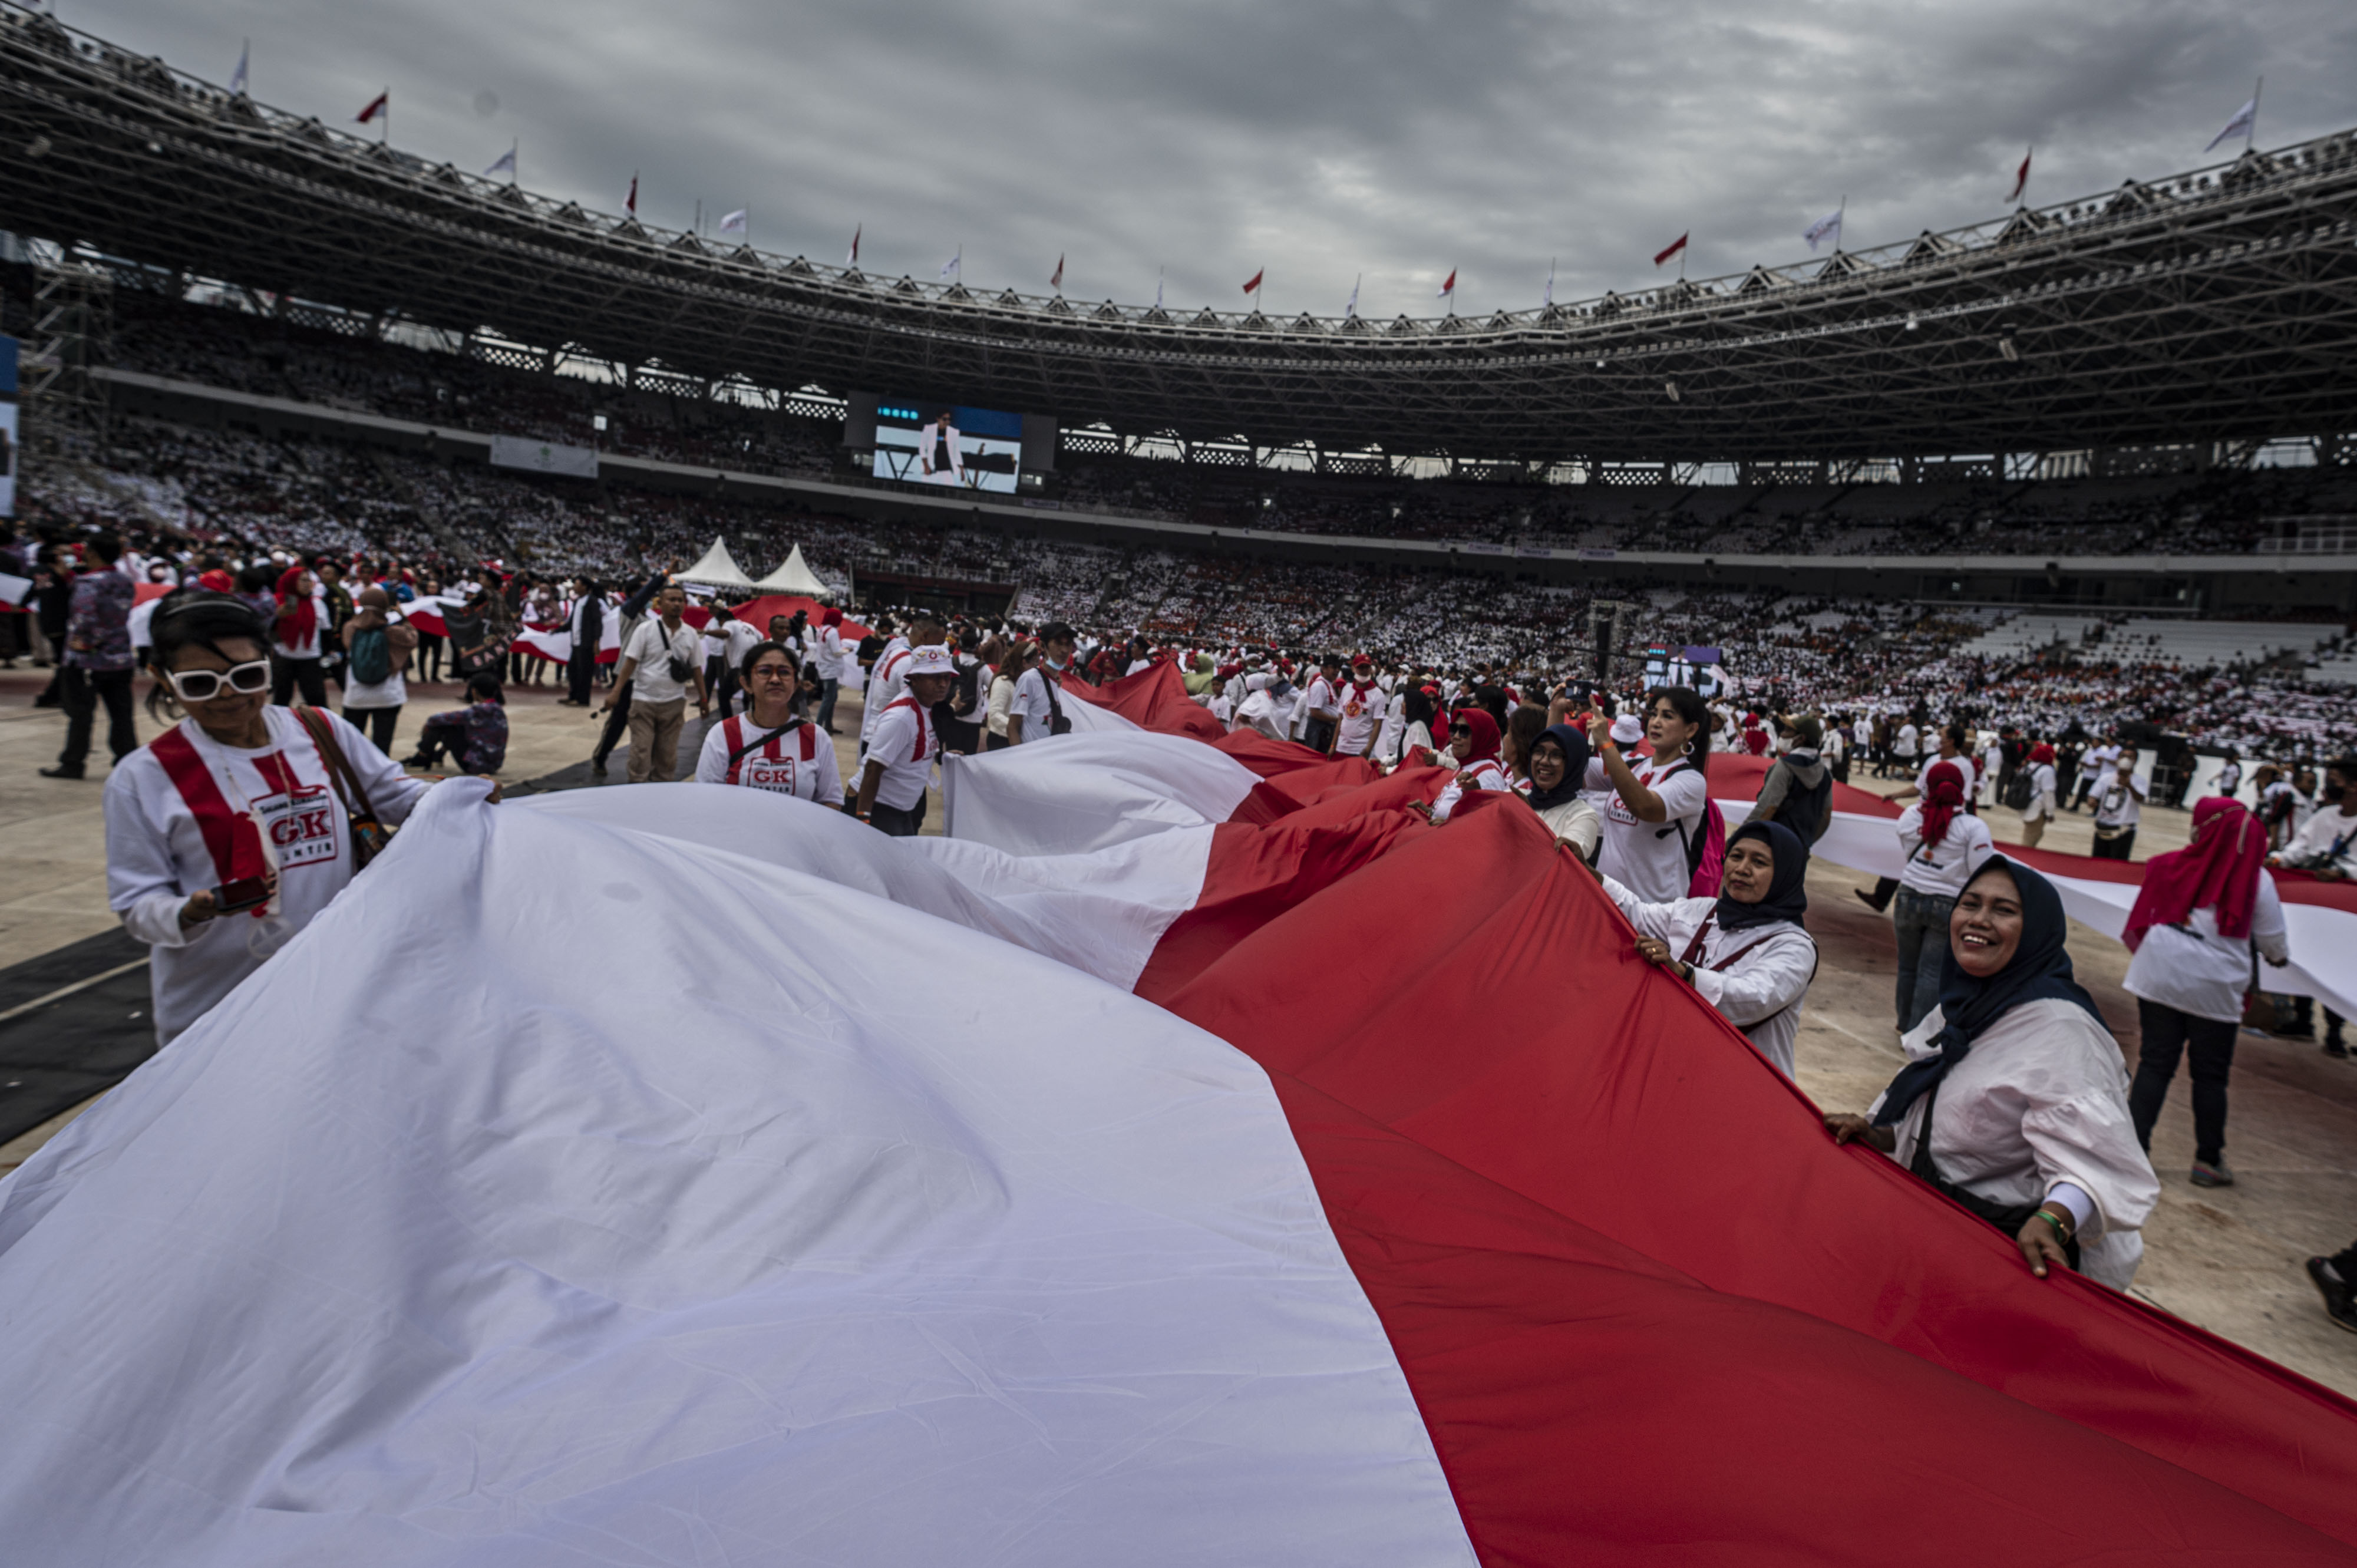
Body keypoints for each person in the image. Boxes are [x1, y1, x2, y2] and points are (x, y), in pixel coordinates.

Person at [103, 591, 443, 1045]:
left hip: (337, 988)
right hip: (217, 1008)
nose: (229, 695)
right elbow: (136, 902)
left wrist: (461, 795)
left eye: (247, 676)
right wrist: (189, 911)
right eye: (201, 684)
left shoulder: (318, 729)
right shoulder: (142, 778)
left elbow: (395, 795)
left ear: (270, 663)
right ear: (162, 680)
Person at [1826, 857, 2158, 1289]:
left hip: (1999, 1253)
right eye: (1970, 903)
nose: (1979, 920)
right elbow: (1943, 1104)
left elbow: (2096, 1159)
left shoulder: (2063, 1033)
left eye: (2004, 909)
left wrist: (2050, 1223)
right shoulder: (1965, 1004)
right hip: (1936, 1225)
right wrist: (1881, 1133)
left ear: (2038, 929)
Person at [2123, 798, 2289, 1188]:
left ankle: (2134, 1150)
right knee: (2210, 1076)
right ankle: (2207, 1161)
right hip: (2215, 987)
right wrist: (2279, 959)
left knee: (2155, 1062)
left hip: (2159, 974)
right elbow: (2273, 942)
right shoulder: (2256, 878)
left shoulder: (2170, 863)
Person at [1612, 820, 1818, 1078]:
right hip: (1679, 1070)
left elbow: (1756, 997)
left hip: (1746, 1082)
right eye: (1736, 856)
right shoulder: (1702, 911)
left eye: (1759, 862)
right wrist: (1587, 875)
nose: (1742, 869)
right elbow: (1634, 913)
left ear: (1786, 874)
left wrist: (1685, 973)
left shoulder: (1794, 946)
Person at [1891, 760, 1995, 1033]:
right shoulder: (1974, 827)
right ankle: (1918, 1032)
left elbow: (1907, 848)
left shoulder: (1911, 816)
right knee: (1932, 972)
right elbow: (1980, 869)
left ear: (1928, 786)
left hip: (1908, 895)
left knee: (1907, 966)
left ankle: (1904, 1022)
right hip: (1947, 902)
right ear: (1961, 788)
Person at [1585, 685, 1712, 903]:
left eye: (1667, 716)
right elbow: (1566, 771)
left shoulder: (1692, 781)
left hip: (1654, 913)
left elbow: (1644, 807)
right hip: (1607, 903)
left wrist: (1606, 743)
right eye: (1654, 714)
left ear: (1690, 730)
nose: (1656, 722)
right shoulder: (1632, 767)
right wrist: (1556, 712)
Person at [696, 639, 841, 801]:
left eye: (784, 672)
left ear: (795, 685)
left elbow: (831, 800)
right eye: (765, 671)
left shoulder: (816, 737)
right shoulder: (723, 734)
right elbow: (706, 797)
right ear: (746, 683)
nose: (775, 679)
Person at [44, 533, 138, 780]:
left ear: (93, 554)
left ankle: (73, 763)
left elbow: (85, 619)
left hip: (88, 660)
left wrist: (86, 645)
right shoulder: (124, 580)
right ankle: (128, 762)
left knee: (81, 714)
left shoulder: (89, 583)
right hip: (120, 656)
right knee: (121, 714)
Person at [607, 583, 708, 784]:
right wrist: (616, 692)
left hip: (674, 703)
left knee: (667, 756)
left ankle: (661, 794)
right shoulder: (645, 630)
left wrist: (703, 698)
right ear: (659, 603)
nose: (677, 604)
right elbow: (630, 662)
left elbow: (697, 668)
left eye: (680, 600)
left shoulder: (690, 634)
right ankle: (638, 790)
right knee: (640, 752)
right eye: (671, 600)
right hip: (644, 701)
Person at [855, 645, 954, 835]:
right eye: (935, 677)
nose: (943, 684)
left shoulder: (928, 707)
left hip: (900, 809)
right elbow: (873, 768)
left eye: (946, 677)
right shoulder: (902, 717)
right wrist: (863, 818)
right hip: (880, 808)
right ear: (914, 679)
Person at [339, 586, 417, 754]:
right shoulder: (394, 631)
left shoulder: (350, 629)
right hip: (388, 696)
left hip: (356, 697)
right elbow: (413, 639)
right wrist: (403, 617)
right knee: (382, 745)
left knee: (352, 745)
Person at [405, 672, 509, 777]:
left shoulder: (478, 711)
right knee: (456, 726)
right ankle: (437, 756)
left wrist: (426, 728)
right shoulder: (498, 710)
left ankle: (422, 756)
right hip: (493, 764)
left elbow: (435, 719)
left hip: (475, 765)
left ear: (474, 691)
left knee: (445, 726)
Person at [1523, 724, 1602, 862]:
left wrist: (1521, 815)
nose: (1544, 761)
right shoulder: (1512, 797)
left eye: (1557, 755)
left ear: (1574, 763)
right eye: (1539, 752)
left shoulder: (1583, 816)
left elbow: (1558, 862)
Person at [1749, 715, 1832, 845]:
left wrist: (1744, 836)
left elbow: (1767, 808)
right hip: (1801, 845)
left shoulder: (1785, 766)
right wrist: (1806, 843)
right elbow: (1826, 817)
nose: (1782, 734)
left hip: (1774, 840)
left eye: (1788, 731)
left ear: (1801, 739)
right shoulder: (1825, 773)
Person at [1427, 708, 1512, 824]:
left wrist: (1449, 826)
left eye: (1464, 731)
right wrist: (1428, 811)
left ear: (1480, 735)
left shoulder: (1489, 774)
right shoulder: (1468, 764)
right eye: (1453, 729)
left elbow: (1488, 823)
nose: (1456, 736)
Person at [269, 565, 330, 708]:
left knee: (317, 700)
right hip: (284, 657)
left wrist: (327, 654)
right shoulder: (277, 601)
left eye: (309, 581)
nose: (307, 584)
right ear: (292, 581)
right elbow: (265, 630)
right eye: (302, 580)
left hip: (310, 658)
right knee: (281, 700)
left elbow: (326, 632)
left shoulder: (317, 604)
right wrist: (277, 616)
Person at [1008, 621, 1076, 745]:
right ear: (1042, 646)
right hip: (1031, 758)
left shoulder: (1056, 682)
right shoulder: (1030, 679)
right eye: (1058, 643)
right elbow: (1013, 727)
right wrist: (1018, 760)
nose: (1064, 650)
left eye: (1068, 645)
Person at [2091, 747, 2147, 860]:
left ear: (2135, 761)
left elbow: (2141, 798)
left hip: (2123, 830)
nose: (2126, 759)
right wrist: (2092, 802)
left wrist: (2129, 786)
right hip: (2103, 827)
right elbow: (2093, 796)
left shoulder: (2139, 781)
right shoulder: (2106, 778)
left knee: (2117, 863)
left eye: (2130, 757)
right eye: (2123, 756)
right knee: (2098, 863)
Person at [1332, 656, 1384, 761]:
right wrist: (1333, 745)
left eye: (1367, 667)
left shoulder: (1378, 695)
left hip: (1361, 749)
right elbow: (1340, 719)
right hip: (1341, 747)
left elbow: (1377, 725)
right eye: (1361, 667)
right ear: (1353, 669)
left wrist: (1368, 749)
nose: (1364, 671)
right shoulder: (1347, 689)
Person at [562, 577, 603, 707]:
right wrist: (557, 630)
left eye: (577, 584)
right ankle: (573, 695)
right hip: (576, 643)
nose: (575, 586)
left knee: (585, 672)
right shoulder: (578, 601)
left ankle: (583, 700)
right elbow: (571, 623)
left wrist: (596, 641)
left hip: (586, 643)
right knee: (573, 670)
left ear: (585, 587)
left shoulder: (592, 602)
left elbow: (597, 622)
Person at [2015, 742, 2059, 848]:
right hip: (2038, 808)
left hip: (2027, 803)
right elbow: (2048, 793)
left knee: (2031, 834)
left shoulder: (2031, 765)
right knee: (2030, 838)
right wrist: (2050, 812)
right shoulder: (2047, 770)